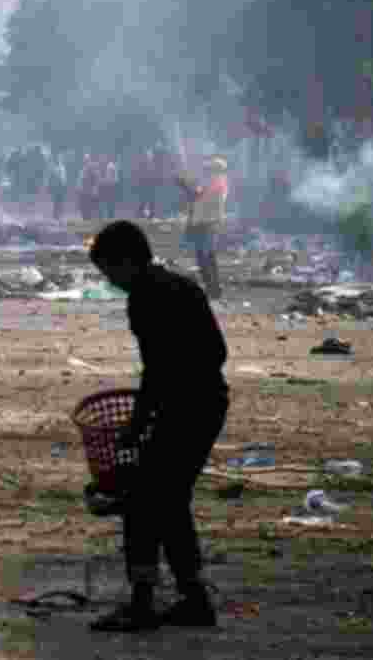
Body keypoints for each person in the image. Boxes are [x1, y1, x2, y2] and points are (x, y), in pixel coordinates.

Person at [87, 220, 229, 633]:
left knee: (145, 502)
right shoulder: (183, 287)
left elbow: (157, 372)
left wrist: (138, 423)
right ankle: (193, 599)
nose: (110, 281)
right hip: (208, 403)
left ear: (127, 262)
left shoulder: (145, 299)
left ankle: (143, 603)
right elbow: (217, 352)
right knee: (170, 502)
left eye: (109, 271)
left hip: (183, 410)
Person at [181, 156, 229, 299]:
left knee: (205, 258)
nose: (207, 172)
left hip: (207, 224)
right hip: (204, 223)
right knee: (207, 257)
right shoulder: (215, 183)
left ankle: (212, 289)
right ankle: (213, 288)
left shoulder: (218, 183)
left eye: (210, 170)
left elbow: (200, 196)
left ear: (217, 170)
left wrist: (187, 187)